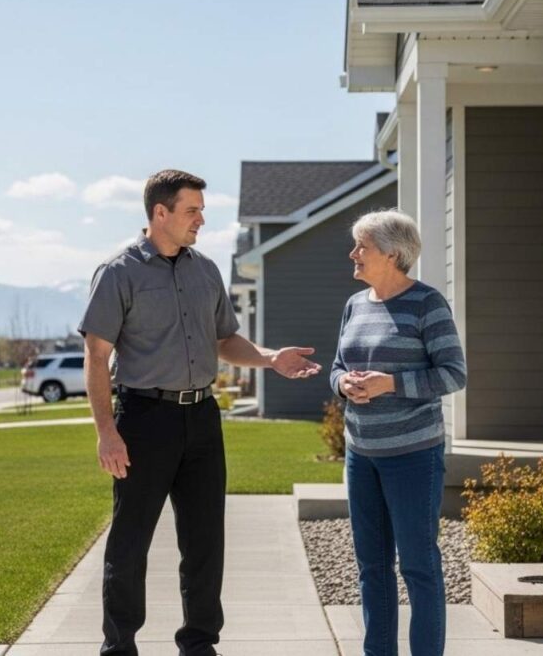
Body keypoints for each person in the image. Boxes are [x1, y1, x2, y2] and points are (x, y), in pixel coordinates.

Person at [79, 169, 320, 656]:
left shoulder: (204, 270)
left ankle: (199, 643)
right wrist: (106, 431)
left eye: (202, 211)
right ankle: (119, 646)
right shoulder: (119, 272)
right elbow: (96, 356)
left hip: (203, 420)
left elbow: (225, 340)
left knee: (206, 540)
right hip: (144, 420)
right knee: (131, 541)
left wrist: (270, 358)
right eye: (192, 211)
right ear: (159, 213)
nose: (201, 220)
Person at [330, 209, 467, 656]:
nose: (353, 253)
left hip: (413, 455)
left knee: (418, 566)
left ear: (392, 254)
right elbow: (337, 367)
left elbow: (453, 374)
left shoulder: (427, 304)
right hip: (361, 454)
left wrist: (391, 383)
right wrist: (343, 385)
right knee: (371, 566)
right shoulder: (354, 304)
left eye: (361, 247)